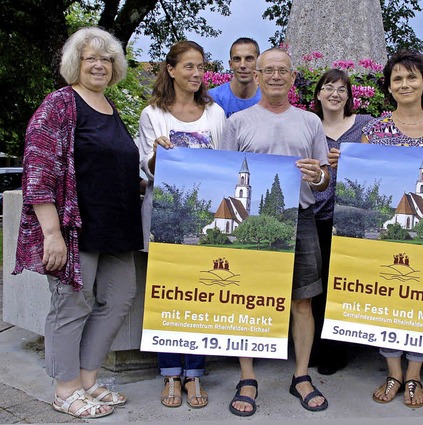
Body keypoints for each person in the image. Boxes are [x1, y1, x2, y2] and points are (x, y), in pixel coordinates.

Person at [12, 27, 143, 419]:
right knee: (71, 306)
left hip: (116, 227)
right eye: (91, 59)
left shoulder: (111, 106)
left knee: (120, 298)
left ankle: (88, 379)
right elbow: (37, 170)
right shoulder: (60, 104)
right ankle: (64, 389)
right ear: (76, 64)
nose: (99, 65)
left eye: (106, 59)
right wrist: (51, 233)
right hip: (74, 228)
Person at [221, 47, 330, 416]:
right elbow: (224, 175)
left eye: (283, 70)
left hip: (300, 219)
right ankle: (247, 376)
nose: (275, 76)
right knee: (246, 298)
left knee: (303, 301)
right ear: (257, 75)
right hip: (250, 223)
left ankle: (301, 375)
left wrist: (319, 176)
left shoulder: (310, 122)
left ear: (293, 77)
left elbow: (323, 179)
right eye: (268, 70)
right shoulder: (237, 122)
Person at [362, 50, 423, 408]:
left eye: (412, 77)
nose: (405, 84)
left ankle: (415, 375)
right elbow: (366, 180)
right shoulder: (374, 131)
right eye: (397, 79)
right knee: (387, 302)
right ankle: (393, 372)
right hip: (391, 236)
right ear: (389, 87)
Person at [137, 40, 226, 409]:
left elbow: (224, 164)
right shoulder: (152, 114)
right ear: (171, 70)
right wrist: (158, 154)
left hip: (204, 218)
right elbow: (148, 170)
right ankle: (170, 374)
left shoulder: (215, 113)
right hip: (164, 217)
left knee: (201, 296)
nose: (196, 74)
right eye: (188, 66)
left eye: (201, 67)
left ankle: (195, 376)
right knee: (167, 296)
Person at [309, 69, 373, 375]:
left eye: (342, 89)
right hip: (316, 215)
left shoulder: (364, 125)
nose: (335, 94)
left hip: (351, 218)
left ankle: (335, 350)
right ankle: (314, 346)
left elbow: (375, 165)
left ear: (349, 97)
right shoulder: (308, 126)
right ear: (318, 93)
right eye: (328, 87)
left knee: (343, 286)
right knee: (316, 287)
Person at [208, 37, 261, 117]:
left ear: (258, 63)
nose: (242, 65)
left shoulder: (268, 99)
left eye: (249, 59)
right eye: (237, 59)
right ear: (230, 64)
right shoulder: (213, 98)